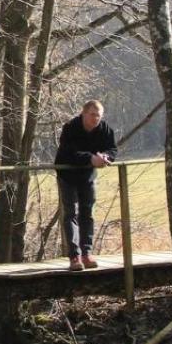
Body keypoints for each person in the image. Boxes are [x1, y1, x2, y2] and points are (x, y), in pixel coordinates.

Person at [54, 100, 117, 271]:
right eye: (92, 115)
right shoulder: (70, 127)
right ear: (83, 114)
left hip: (88, 176)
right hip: (67, 174)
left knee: (87, 213)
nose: (95, 118)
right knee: (70, 214)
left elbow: (112, 149)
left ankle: (87, 253)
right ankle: (74, 256)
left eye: (98, 115)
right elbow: (69, 153)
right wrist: (90, 158)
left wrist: (105, 157)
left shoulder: (104, 129)